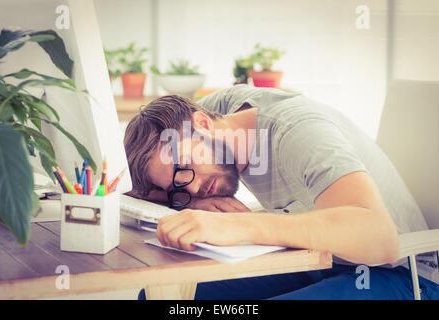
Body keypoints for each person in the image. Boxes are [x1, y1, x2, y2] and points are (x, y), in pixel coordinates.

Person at [124, 85, 438, 299]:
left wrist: (237, 226)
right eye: (179, 184)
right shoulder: (221, 111)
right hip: (319, 261)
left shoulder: (299, 133)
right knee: (160, 295)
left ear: (202, 124)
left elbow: (380, 239)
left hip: (402, 275)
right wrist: (195, 196)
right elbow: (159, 183)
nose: (191, 186)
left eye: (187, 167)